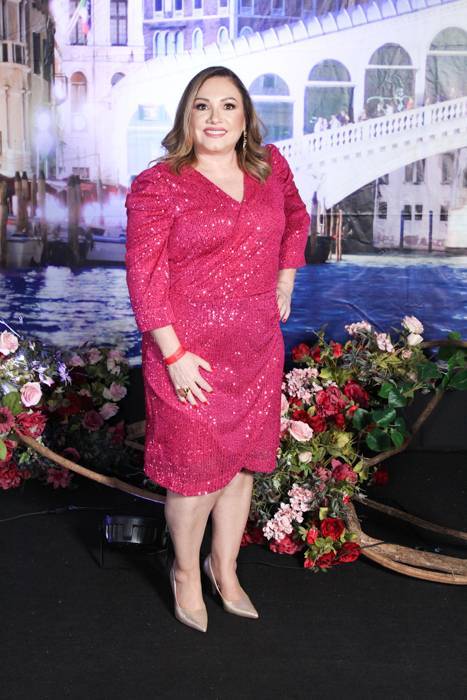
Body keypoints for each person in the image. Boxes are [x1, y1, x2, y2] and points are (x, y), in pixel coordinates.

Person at [125, 65, 310, 633]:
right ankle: (185, 571)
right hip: (188, 354)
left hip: (256, 347)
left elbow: (297, 219)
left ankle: (224, 569)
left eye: (228, 105)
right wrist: (173, 355)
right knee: (193, 474)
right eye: (202, 105)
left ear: (245, 117)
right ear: (187, 116)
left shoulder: (270, 167)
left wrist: (284, 280)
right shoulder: (160, 184)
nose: (215, 117)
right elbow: (144, 276)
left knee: (240, 469)